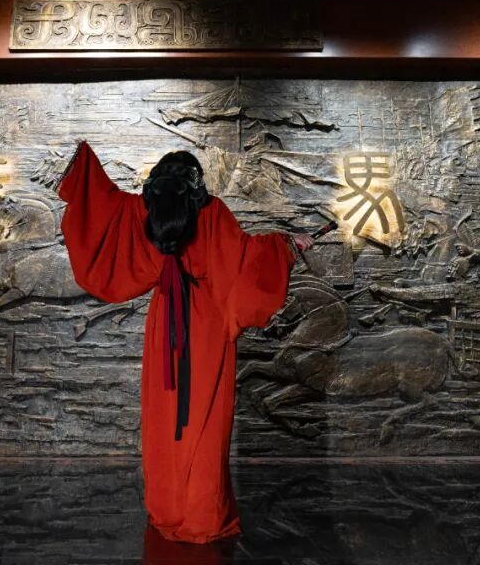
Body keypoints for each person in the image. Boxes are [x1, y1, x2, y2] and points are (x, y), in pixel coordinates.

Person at [57, 140, 314, 544]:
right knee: (205, 423)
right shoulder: (211, 213)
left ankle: (168, 509)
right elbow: (244, 260)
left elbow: (104, 210)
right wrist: (287, 245)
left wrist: (83, 172)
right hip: (207, 324)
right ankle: (202, 516)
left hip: (165, 324)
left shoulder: (143, 212)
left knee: (164, 422)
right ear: (195, 181)